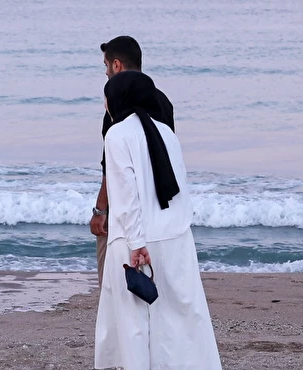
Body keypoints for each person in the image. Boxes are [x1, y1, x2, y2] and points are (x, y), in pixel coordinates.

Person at [94, 71, 221, 369]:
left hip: (133, 241)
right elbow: (180, 190)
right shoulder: (167, 132)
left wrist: (137, 243)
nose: (105, 104)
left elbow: (126, 195)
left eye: (106, 97)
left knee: (133, 325)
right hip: (175, 238)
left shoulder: (117, 134)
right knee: (180, 322)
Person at [90, 36, 174, 286]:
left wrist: (100, 210)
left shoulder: (117, 104)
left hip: (125, 206)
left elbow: (112, 166)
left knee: (112, 279)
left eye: (106, 65)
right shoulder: (163, 102)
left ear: (117, 65)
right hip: (158, 204)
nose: (106, 72)